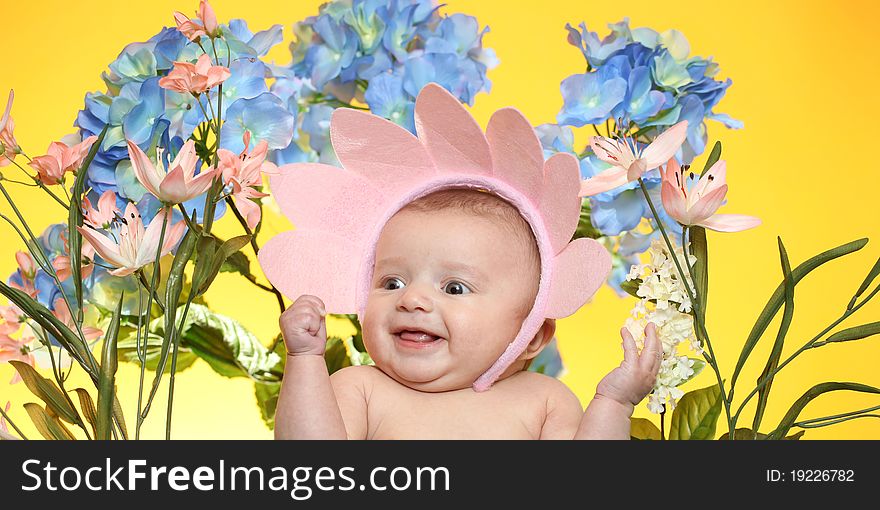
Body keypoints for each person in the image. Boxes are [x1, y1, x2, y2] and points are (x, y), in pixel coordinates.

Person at [259, 83, 664, 440]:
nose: (412, 299)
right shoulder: (361, 390)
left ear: (532, 335)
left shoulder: (543, 402)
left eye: (454, 288)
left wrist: (614, 402)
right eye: (392, 282)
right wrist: (306, 360)